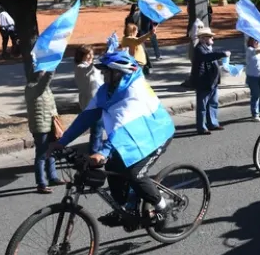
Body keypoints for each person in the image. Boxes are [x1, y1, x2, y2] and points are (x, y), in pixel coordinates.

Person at [51, 51, 175, 227]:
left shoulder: (135, 90)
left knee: (135, 174)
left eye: (107, 72)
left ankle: (163, 207)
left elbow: (122, 123)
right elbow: (87, 117)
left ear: (119, 73)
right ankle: (126, 208)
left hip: (156, 135)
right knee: (112, 167)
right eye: (103, 71)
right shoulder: (106, 90)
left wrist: (104, 151)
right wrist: (62, 141)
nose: (103, 74)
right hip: (131, 136)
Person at [25, 70, 65, 193]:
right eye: (41, 71)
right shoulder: (32, 88)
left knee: (51, 152)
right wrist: (51, 68)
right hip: (40, 127)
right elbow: (45, 81)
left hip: (50, 124)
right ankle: (41, 183)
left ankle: (52, 177)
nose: (43, 73)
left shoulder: (44, 88)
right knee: (41, 155)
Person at [192, 27, 230, 135]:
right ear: (203, 38)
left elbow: (211, 60)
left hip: (212, 82)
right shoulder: (199, 49)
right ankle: (201, 127)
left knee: (213, 103)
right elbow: (207, 57)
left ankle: (212, 123)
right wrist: (223, 54)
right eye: (210, 36)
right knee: (202, 107)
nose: (212, 38)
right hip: (204, 82)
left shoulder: (208, 47)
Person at [73, 45, 105, 153]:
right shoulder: (80, 67)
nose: (91, 56)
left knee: (99, 129)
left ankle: (98, 151)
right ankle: (94, 153)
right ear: (81, 56)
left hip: (99, 100)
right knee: (97, 130)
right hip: (91, 103)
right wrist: (94, 63)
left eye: (92, 54)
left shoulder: (90, 66)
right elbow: (88, 70)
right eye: (88, 54)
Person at [245, 37, 260, 121]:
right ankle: (255, 114)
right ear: (251, 41)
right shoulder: (250, 50)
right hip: (252, 77)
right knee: (255, 95)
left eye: (258, 40)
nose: (257, 42)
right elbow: (258, 51)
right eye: (255, 40)